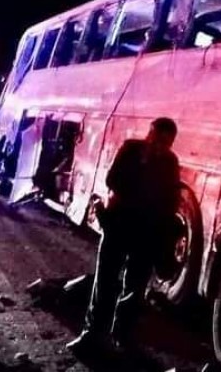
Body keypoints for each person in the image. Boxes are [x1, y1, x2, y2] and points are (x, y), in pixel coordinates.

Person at [67, 117, 180, 356]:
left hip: (146, 234)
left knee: (134, 289)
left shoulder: (170, 162)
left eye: (165, 142)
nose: (159, 145)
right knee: (104, 283)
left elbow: (170, 201)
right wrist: (141, 167)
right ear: (149, 134)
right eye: (156, 138)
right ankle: (91, 334)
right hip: (119, 226)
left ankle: (121, 336)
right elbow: (112, 180)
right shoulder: (132, 149)